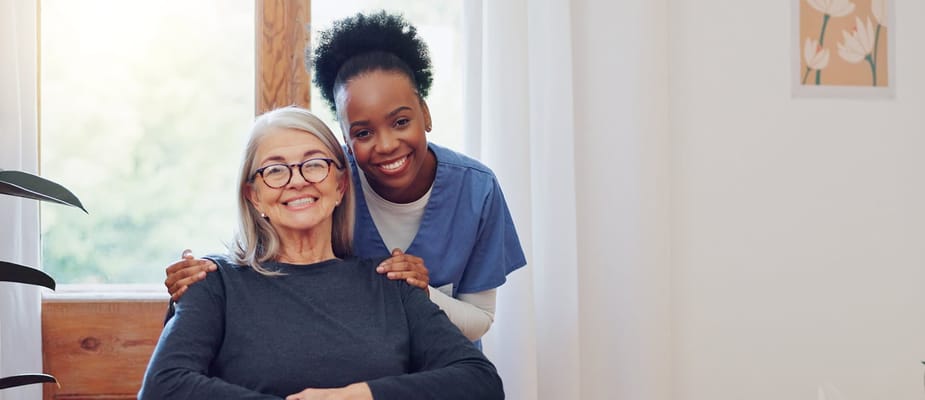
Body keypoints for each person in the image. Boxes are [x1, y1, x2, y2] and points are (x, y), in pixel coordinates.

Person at [164, 11, 526, 342]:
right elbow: (270, 264)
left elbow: (480, 318)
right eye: (363, 132)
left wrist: (421, 290)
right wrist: (207, 276)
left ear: (426, 114)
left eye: (401, 121)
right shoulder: (326, 185)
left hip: (444, 370)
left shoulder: (477, 190)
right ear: (345, 140)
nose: (386, 144)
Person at [139, 106, 503, 400]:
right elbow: (163, 387)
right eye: (276, 169)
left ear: (340, 184)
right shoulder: (214, 283)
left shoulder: (391, 282)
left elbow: (480, 383)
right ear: (254, 196)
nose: (298, 180)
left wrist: (359, 396)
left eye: (314, 164)